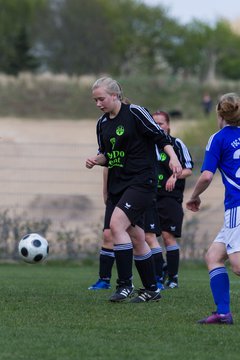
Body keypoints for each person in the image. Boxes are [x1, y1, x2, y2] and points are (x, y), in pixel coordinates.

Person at [86, 77, 182, 303]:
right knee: (137, 236)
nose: (98, 104)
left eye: (101, 99)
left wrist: (173, 158)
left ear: (114, 95)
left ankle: (124, 285)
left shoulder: (136, 112)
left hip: (141, 181)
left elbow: (160, 137)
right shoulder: (102, 124)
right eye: (95, 100)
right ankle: (151, 289)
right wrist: (95, 160)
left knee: (116, 225)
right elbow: (108, 155)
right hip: (118, 185)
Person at [186, 92, 240, 325]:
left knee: (237, 265)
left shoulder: (218, 138)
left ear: (220, 114)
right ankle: (223, 313)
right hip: (235, 209)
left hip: (237, 206)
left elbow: (206, 176)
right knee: (214, 256)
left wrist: (194, 196)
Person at [150, 110, 193, 289]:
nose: (158, 127)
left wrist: (175, 176)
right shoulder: (147, 144)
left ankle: (173, 278)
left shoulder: (176, 144)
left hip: (170, 197)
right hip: (149, 197)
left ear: (168, 125)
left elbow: (188, 169)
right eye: (154, 123)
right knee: (149, 237)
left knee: (168, 236)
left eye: (161, 123)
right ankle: (159, 273)